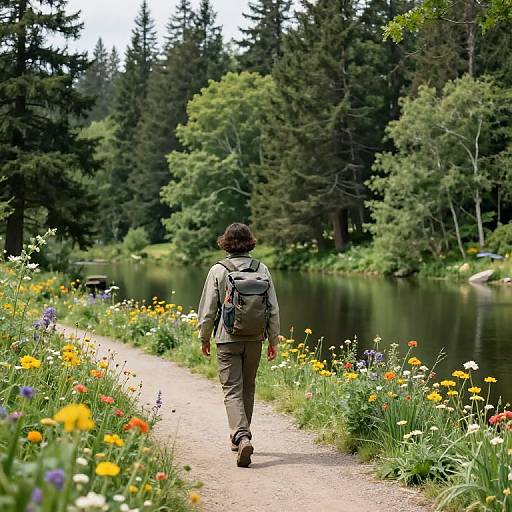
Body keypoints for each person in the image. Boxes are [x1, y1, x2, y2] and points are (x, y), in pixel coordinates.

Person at [198, 223, 280, 467]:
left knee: (232, 388)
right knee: (248, 387)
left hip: (227, 338)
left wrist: (204, 338)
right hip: (255, 337)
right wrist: (273, 339)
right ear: (250, 242)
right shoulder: (261, 268)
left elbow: (208, 310)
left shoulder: (218, 270)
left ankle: (241, 435)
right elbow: (273, 308)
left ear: (225, 242)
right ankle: (240, 435)